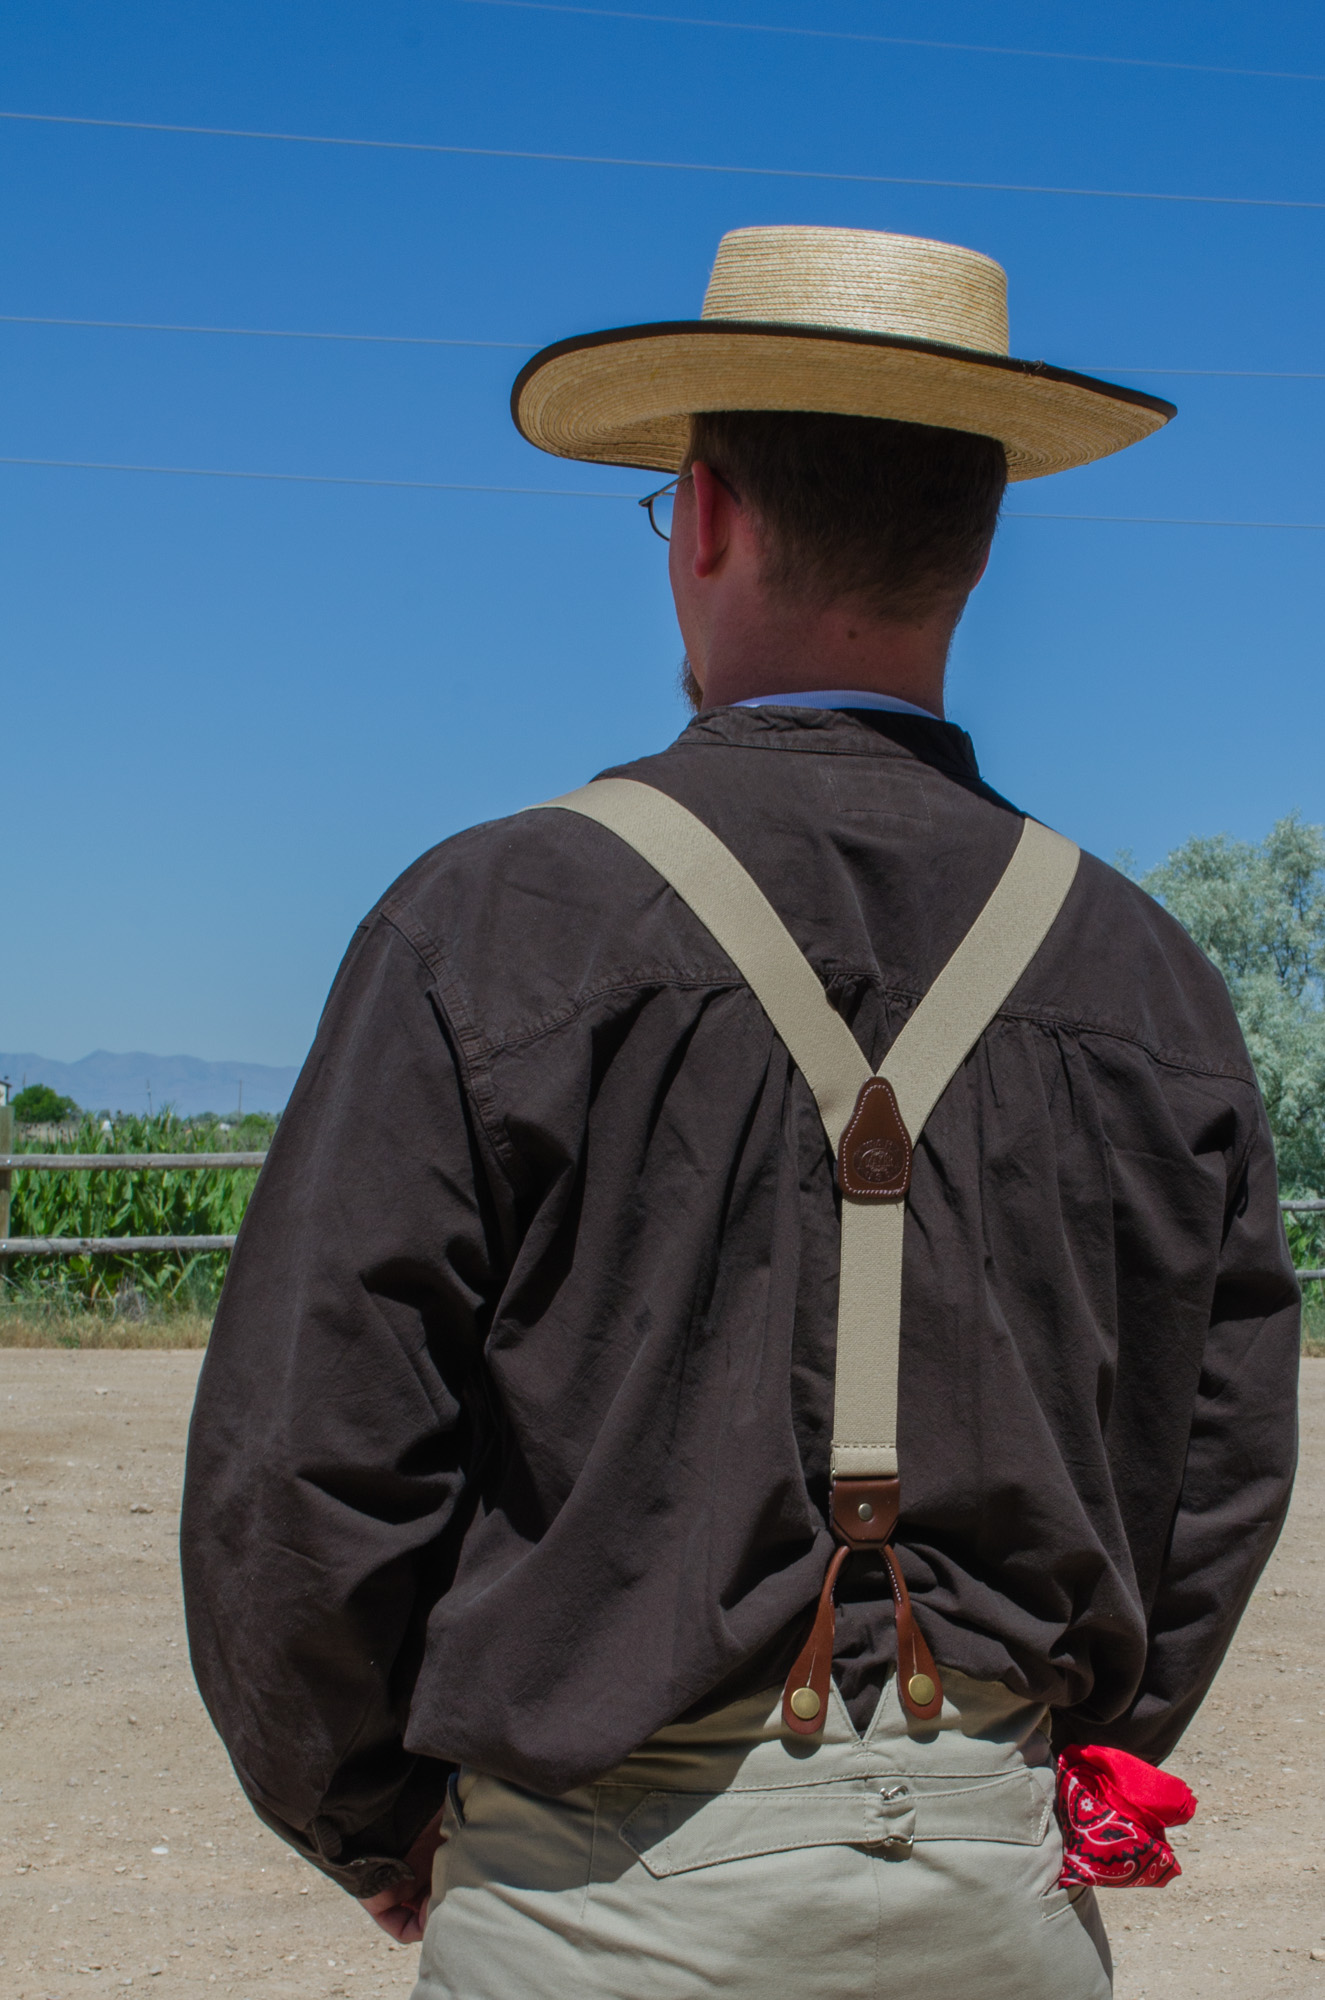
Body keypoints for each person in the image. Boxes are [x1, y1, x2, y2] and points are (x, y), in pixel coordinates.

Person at [181, 226, 1300, 1999]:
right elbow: (1219, 1455)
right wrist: (1069, 1740)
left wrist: (373, 1813)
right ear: (981, 542)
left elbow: (305, 1461)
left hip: (595, 1896)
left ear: (699, 517)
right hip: (994, 1893)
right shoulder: (1139, 972)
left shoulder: (486, 923)